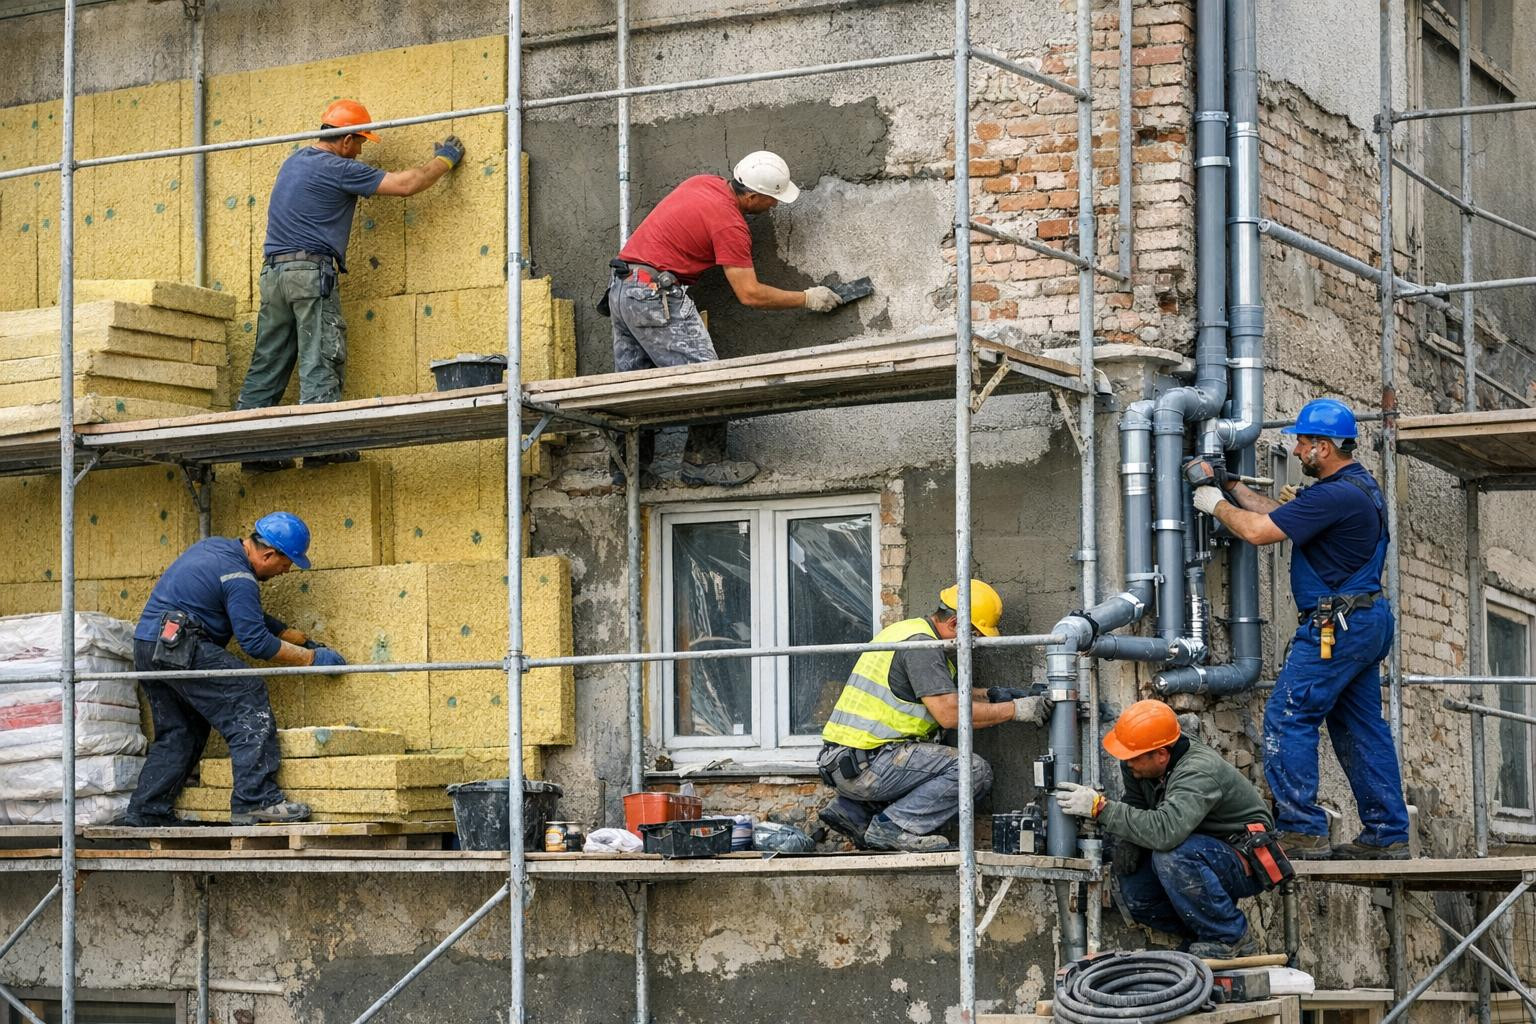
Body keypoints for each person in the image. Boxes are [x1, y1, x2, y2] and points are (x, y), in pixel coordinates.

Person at [1191, 397, 1410, 860]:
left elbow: (1259, 531)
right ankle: (1388, 834)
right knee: (1361, 727)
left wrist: (1215, 505)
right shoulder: (1355, 487)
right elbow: (1278, 516)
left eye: (1303, 442)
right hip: (1365, 621)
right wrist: (1230, 484)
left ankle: (1303, 828)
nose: (1295, 449)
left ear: (1325, 447)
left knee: (1289, 715)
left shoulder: (1336, 495)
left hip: (1340, 625)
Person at [236, 99, 464, 471]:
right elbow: (406, 185)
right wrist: (445, 160)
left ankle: (250, 451)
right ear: (345, 141)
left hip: (273, 275)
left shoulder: (293, 161)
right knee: (320, 353)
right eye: (359, 144)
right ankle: (321, 444)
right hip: (309, 274)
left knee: (269, 361)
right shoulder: (338, 168)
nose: (360, 153)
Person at [605, 150, 848, 488]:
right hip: (652, 294)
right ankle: (702, 463)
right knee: (709, 379)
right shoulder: (731, 224)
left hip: (623, 289)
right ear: (751, 196)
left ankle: (627, 471)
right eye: (771, 199)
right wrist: (806, 298)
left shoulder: (702, 183)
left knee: (635, 387)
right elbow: (749, 294)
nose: (774, 206)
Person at [121, 512, 349, 827]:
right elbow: (255, 642)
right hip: (183, 646)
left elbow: (233, 605)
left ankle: (146, 810)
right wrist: (313, 660)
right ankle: (256, 800)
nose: (286, 570)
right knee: (246, 690)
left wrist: (285, 632)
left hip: (150, 645)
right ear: (268, 553)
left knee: (181, 729)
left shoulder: (216, 549)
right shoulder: (240, 578)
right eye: (286, 563)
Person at [817, 580, 1050, 853]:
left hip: (852, 761)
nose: (974, 645)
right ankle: (893, 828)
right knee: (972, 770)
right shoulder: (922, 648)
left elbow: (941, 692)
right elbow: (950, 713)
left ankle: (855, 811)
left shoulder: (909, 632)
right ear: (953, 623)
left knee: (932, 756)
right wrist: (1017, 710)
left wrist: (992, 694)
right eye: (973, 635)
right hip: (870, 764)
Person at [1056, 700, 1274, 959]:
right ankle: (1202, 934)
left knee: (1171, 855)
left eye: (1134, 757)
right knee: (1137, 891)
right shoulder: (1138, 767)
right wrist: (1128, 841)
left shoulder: (1198, 771)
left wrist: (1101, 809)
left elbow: (1166, 832)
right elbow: (1136, 803)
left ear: (1161, 754)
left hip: (1244, 858)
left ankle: (1229, 936)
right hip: (1199, 847)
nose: (1128, 763)